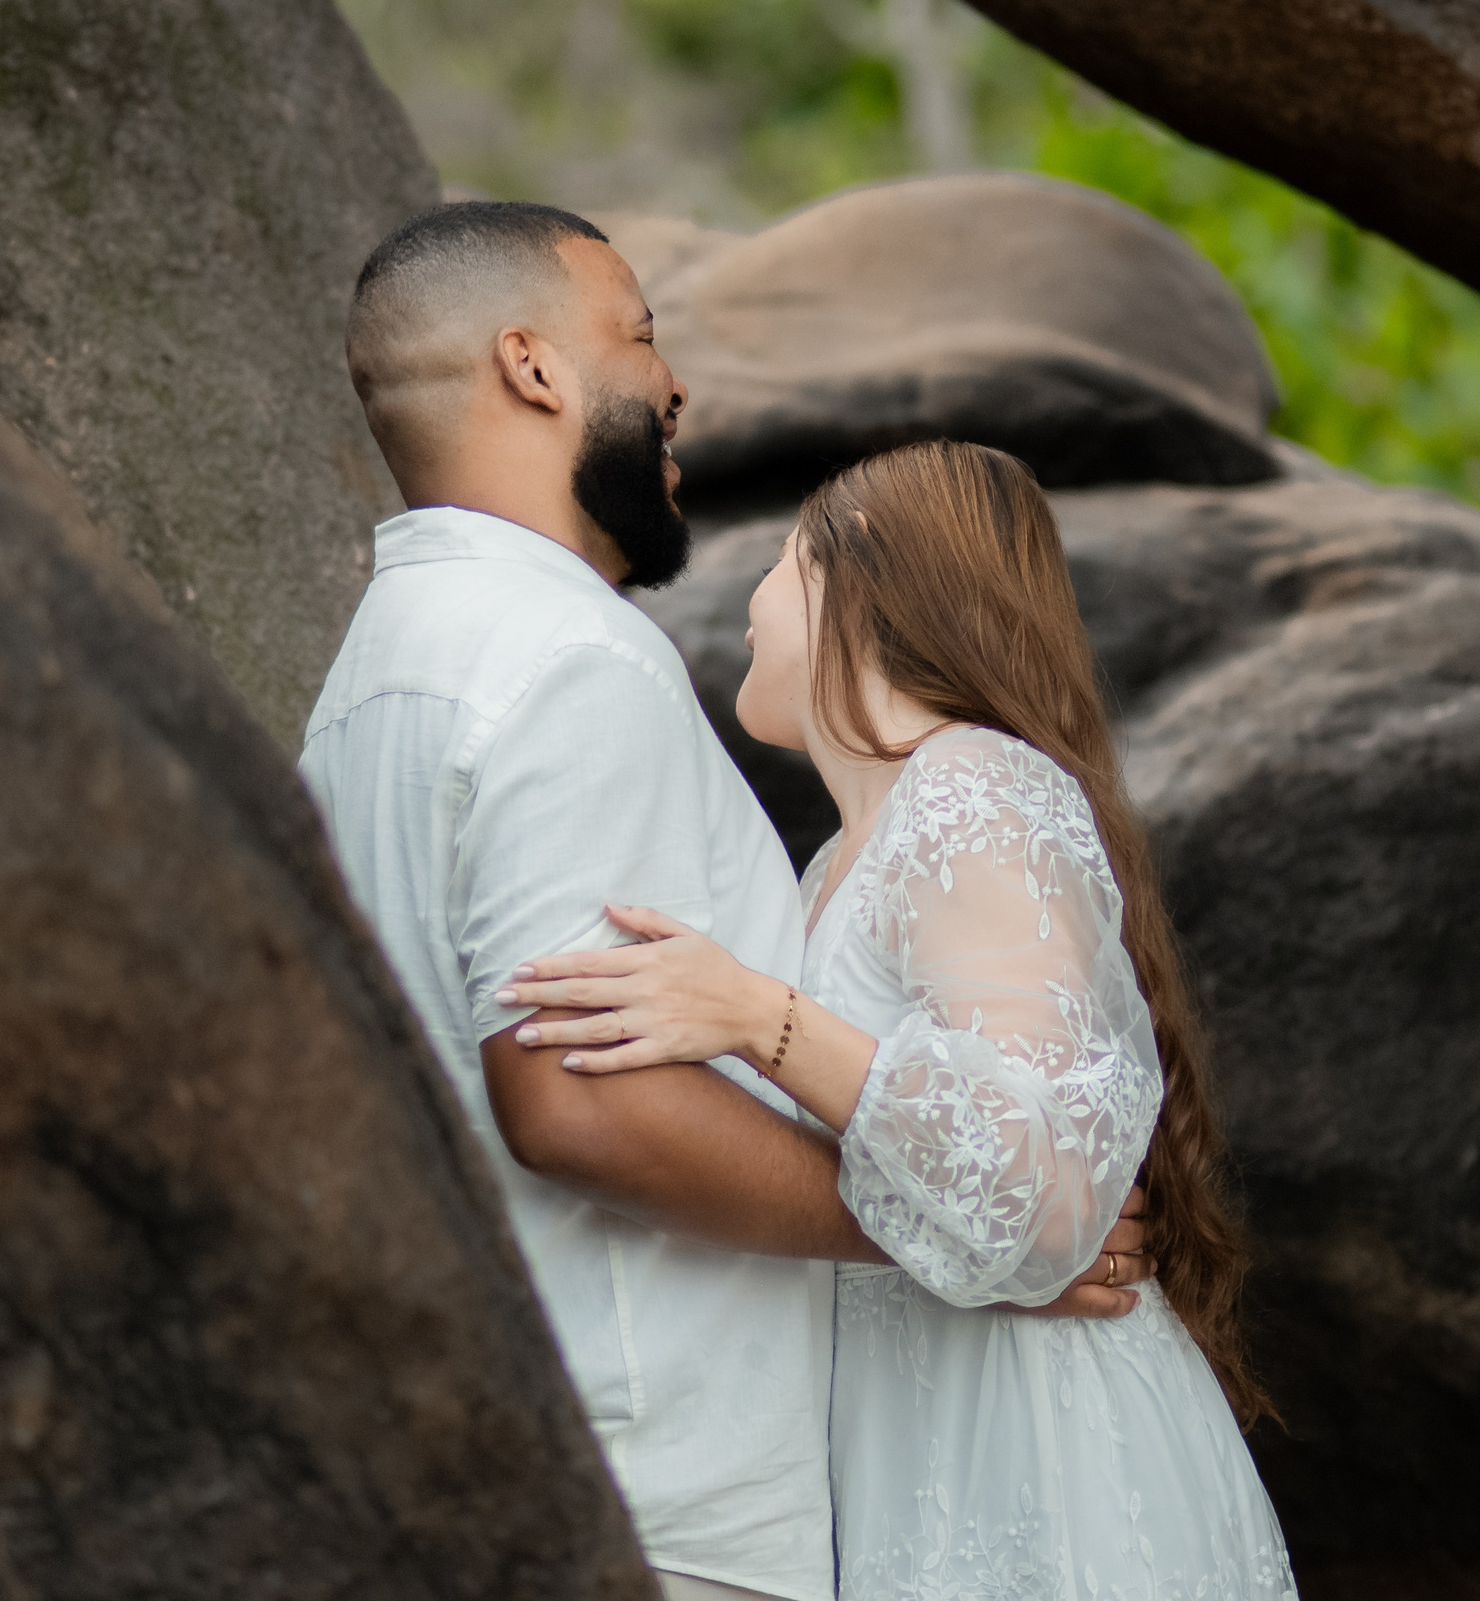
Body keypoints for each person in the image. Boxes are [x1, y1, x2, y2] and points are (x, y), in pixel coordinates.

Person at [298, 203, 1150, 1601]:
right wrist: (963, 1237)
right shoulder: (569, 657)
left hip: (505, 1431)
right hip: (665, 1487)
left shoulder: (372, 680)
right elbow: (576, 1093)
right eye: (639, 332)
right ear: (533, 368)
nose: (675, 381)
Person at [503, 440, 1299, 1598]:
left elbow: (1043, 1187)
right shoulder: (841, 858)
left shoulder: (975, 790)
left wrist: (755, 1016)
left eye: (778, 564)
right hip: (917, 1423)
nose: (754, 607)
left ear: (852, 586)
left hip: (1026, 1446)